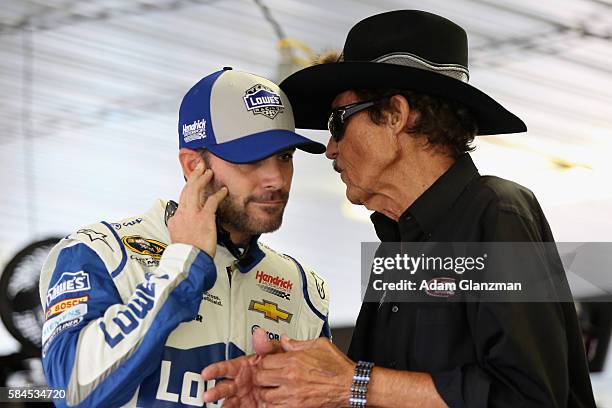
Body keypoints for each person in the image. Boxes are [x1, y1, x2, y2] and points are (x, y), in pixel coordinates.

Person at [201, 10, 596, 408]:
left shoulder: (497, 211)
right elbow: (368, 392)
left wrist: (350, 384)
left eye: (338, 122)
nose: (330, 149)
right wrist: (290, 388)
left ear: (395, 115)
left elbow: (528, 399)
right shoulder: (397, 249)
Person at [39, 67, 331, 407]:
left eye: (284, 157)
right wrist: (183, 266)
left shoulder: (302, 289)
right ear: (194, 166)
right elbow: (72, 390)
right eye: (250, 159)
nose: (276, 179)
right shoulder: (99, 251)